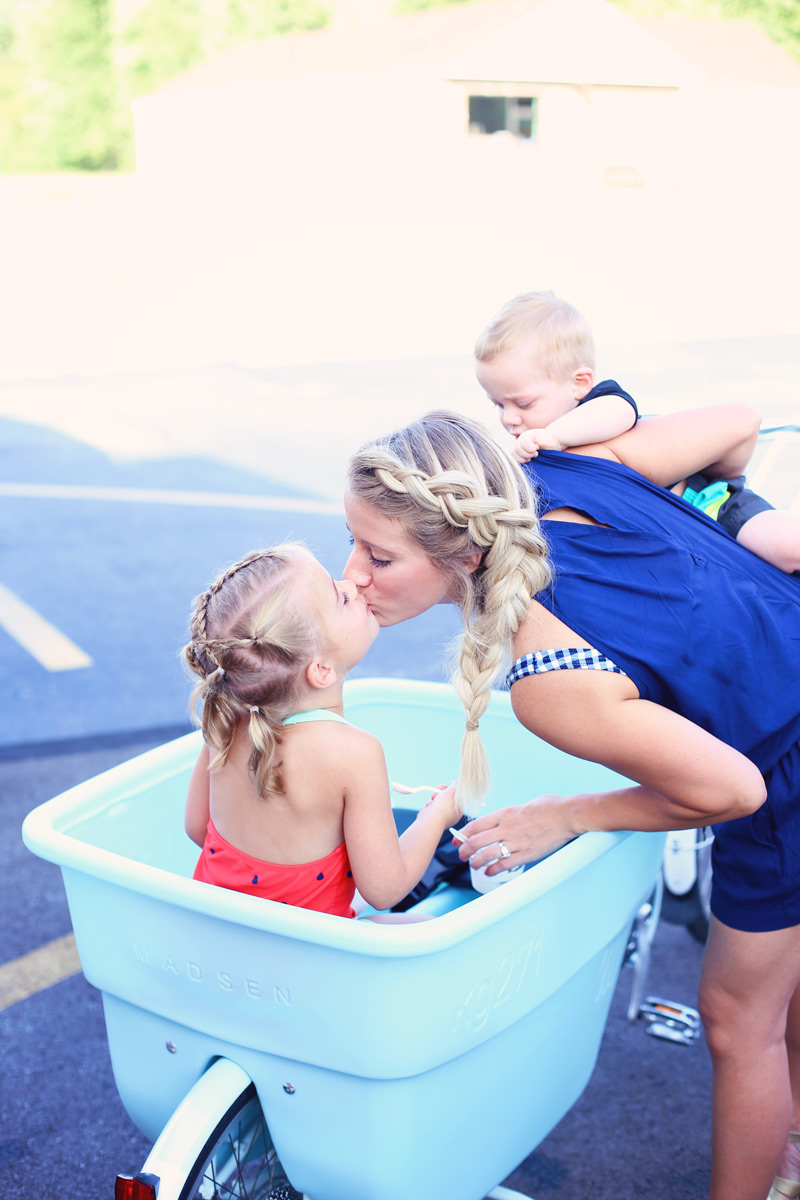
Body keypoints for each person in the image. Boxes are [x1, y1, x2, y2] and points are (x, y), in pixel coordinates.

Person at [343, 408, 800, 1200]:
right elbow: (738, 424)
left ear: (464, 552)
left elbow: (734, 791)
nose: (351, 574)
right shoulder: (565, 466)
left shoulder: (548, 678)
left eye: (379, 556)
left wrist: (567, 815)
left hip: (783, 763)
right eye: (352, 542)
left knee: (737, 1020)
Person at [183, 543, 459, 923]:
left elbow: (198, 828)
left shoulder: (227, 719)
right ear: (321, 670)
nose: (351, 585)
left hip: (213, 932)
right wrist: (437, 816)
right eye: (340, 597)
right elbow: (384, 889)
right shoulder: (354, 754)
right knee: (429, 929)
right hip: (309, 952)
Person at [474, 289, 800, 575]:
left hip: (714, 503)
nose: (509, 419)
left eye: (524, 403)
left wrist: (557, 436)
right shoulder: (540, 447)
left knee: (789, 547)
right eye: (498, 404)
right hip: (677, 531)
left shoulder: (597, 406)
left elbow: (622, 412)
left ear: (579, 383)